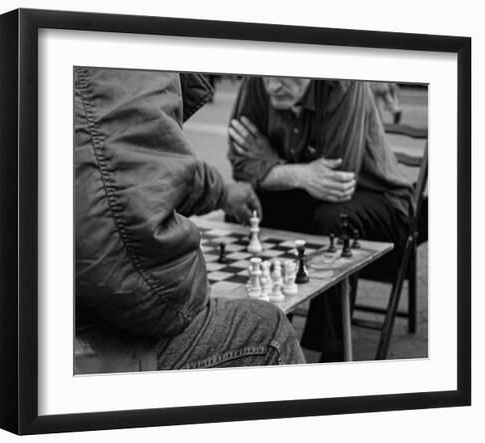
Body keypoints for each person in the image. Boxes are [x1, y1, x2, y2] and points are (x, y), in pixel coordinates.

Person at [74, 68, 305, 373]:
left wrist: (222, 191)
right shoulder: (126, 61)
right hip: (77, 344)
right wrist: (199, 287)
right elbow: (152, 287)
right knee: (268, 329)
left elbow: (142, 173)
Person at [228, 76, 414, 362]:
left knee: (331, 219)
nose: (272, 85)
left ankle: (332, 354)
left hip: (381, 199)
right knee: (244, 205)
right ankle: (265, 326)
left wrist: (267, 162)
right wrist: (301, 174)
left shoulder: (345, 83)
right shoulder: (256, 80)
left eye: (284, 75)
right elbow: (241, 167)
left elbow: (338, 180)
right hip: (307, 196)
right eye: (268, 76)